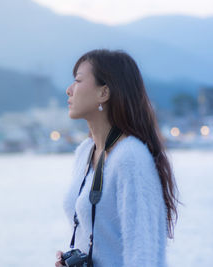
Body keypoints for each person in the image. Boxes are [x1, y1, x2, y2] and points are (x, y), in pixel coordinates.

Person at [55, 49, 180, 267]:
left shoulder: (130, 157)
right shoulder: (85, 152)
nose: (69, 90)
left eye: (78, 80)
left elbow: (143, 253)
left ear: (104, 93)